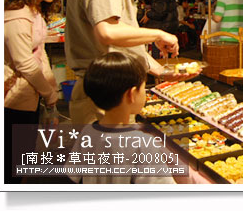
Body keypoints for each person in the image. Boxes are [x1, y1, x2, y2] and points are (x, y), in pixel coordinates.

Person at [66, 52, 192, 184]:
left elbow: (72, 175)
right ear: (131, 95)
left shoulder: (87, 132)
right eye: (143, 87)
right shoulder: (143, 143)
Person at [4, 0, 64, 183]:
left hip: (29, 95)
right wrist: (49, 93)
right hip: (12, 98)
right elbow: (25, 63)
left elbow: (40, 52)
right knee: (11, 162)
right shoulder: (17, 15)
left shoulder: (35, 10)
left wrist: (50, 85)